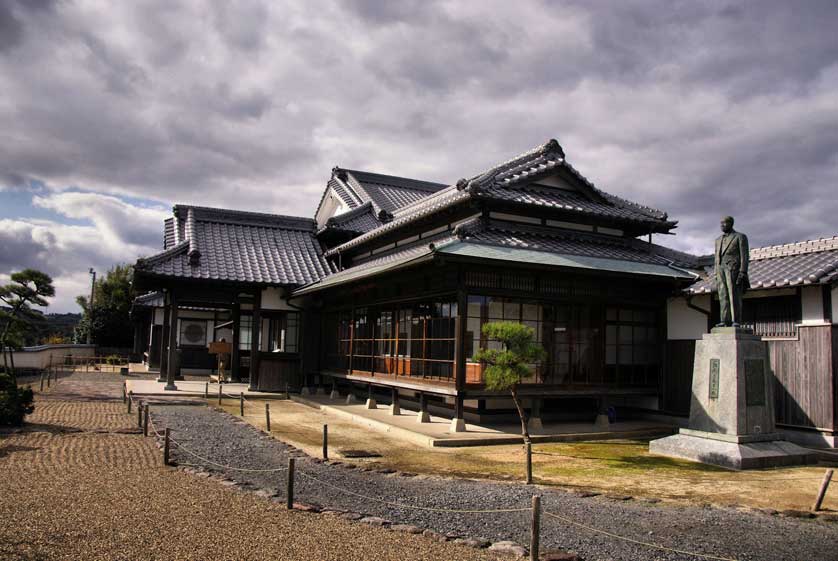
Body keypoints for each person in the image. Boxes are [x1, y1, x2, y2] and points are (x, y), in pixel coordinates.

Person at [714, 216, 749, 327]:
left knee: (733, 294)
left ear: (731, 223)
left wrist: (743, 271)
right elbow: (716, 257)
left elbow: (744, 255)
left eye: (724, 223)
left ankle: (736, 320)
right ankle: (724, 320)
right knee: (722, 295)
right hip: (720, 269)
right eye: (721, 223)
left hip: (733, 268)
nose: (722, 225)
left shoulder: (740, 237)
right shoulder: (718, 240)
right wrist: (716, 272)